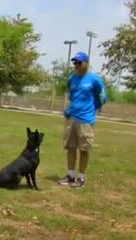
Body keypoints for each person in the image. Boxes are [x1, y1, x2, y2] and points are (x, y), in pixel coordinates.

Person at [58, 51, 107, 188]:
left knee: (84, 149)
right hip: (71, 119)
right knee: (71, 148)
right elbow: (72, 96)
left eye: (79, 62)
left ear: (86, 63)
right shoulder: (72, 79)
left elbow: (102, 97)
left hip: (85, 120)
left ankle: (81, 178)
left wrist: (92, 109)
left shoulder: (94, 79)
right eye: (74, 62)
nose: (76, 65)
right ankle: (70, 176)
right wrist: (69, 110)